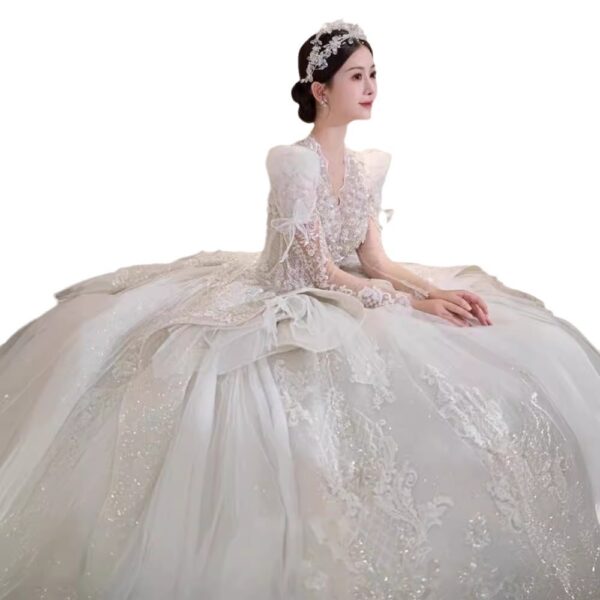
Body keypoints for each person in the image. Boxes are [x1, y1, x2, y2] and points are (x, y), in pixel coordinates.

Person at [1, 18, 600, 600]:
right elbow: (318, 273)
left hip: (342, 287)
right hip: (290, 295)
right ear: (321, 90)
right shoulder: (294, 163)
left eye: (374, 74)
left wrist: (430, 292)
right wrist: (401, 301)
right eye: (357, 76)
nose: (371, 87)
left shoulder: (369, 165)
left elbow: (374, 258)